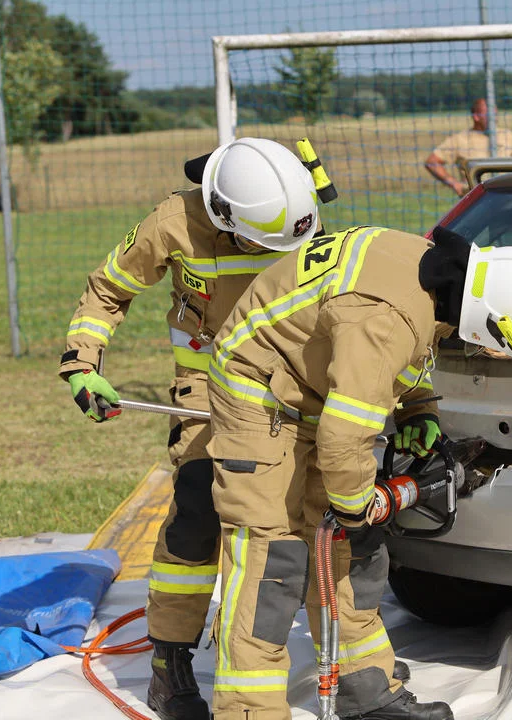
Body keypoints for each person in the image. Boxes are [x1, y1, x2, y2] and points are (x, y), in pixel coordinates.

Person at [205, 225, 512, 720]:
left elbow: (408, 353)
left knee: (347, 546)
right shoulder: (386, 318)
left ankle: (366, 691)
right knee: (273, 557)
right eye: (497, 347)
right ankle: (249, 709)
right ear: (490, 321)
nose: (490, 356)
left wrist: (417, 409)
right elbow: (344, 432)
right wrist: (358, 506)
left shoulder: (439, 278)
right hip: (261, 397)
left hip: (312, 392)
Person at [58, 137, 324, 720]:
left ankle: (348, 661)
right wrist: (83, 364)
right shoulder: (174, 221)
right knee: (197, 518)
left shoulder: (290, 210)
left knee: (309, 514)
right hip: (206, 397)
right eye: (255, 242)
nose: (268, 250)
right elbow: (108, 288)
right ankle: (169, 666)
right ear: (223, 217)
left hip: (290, 393)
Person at [424, 98, 512, 196]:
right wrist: (454, 183)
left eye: (495, 115)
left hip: (505, 197)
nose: (494, 119)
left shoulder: (507, 135)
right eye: (489, 115)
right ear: (476, 116)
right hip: (476, 201)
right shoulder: (460, 139)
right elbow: (432, 162)